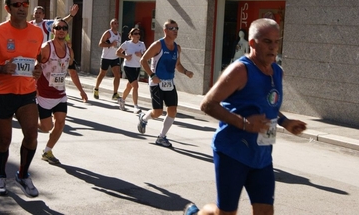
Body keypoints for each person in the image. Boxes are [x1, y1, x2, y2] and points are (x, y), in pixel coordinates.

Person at [183, 18, 307, 215]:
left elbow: (268, 105)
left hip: (262, 155)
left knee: (265, 211)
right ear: (252, 43)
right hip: (232, 152)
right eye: (267, 41)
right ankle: (196, 213)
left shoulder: (277, 72)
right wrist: (244, 123)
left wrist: (286, 122)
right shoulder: (240, 70)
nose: (274, 47)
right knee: (226, 213)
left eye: (277, 41)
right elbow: (207, 104)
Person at [0, 0, 43, 198]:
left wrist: (37, 69)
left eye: (25, 4)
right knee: (4, 140)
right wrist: (1, 69)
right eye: (17, 5)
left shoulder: (37, 32)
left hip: (26, 92)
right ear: (8, 8)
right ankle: (0, 176)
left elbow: (36, 59)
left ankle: (23, 175)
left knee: (32, 135)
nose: (22, 8)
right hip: (2, 92)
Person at [137, 19, 193, 147]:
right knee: (157, 113)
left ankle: (161, 137)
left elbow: (177, 65)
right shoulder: (158, 45)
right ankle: (144, 118)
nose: (175, 31)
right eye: (172, 28)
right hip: (156, 83)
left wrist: (186, 72)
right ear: (165, 30)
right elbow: (143, 60)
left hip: (169, 82)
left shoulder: (177, 48)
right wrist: (152, 75)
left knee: (172, 110)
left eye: (177, 28)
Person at [37, 18, 87, 165]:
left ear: (67, 32)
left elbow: (72, 71)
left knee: (60, 123)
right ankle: (30, 121)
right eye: (58, 28)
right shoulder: (46, 47)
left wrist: (81, 91)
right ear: (53, 31)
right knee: (47, 128)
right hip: (43, 95)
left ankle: (47, 151)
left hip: (60, 95)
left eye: (64, 28)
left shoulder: (69, 51)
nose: (61, 30)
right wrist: (32, 87)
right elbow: (36, 67)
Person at [116, 27, 146, 113]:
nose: (138, 35)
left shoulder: (142, 44)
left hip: (137, 67)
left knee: (130, 86)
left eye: (138, 33)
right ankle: (136, 106)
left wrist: (141, 54)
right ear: (131, 35)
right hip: (128, 67)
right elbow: (117, 53)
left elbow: (145, 55)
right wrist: (125, 57)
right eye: (135, 34)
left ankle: (122, 99)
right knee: (135, 86)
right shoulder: (126, 44)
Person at [93, 18, 122, 100]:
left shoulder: (119, 35)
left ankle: (115, 93)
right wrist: (111, 44)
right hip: (106, 57)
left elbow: (119, 46)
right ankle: (96, 88)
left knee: (117, 75)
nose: (116, 24)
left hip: (115, 57)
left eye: (117, 23)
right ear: (111, 25)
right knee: (102, 74)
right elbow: (100, 44)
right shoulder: (108, 33)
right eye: (114, 23)